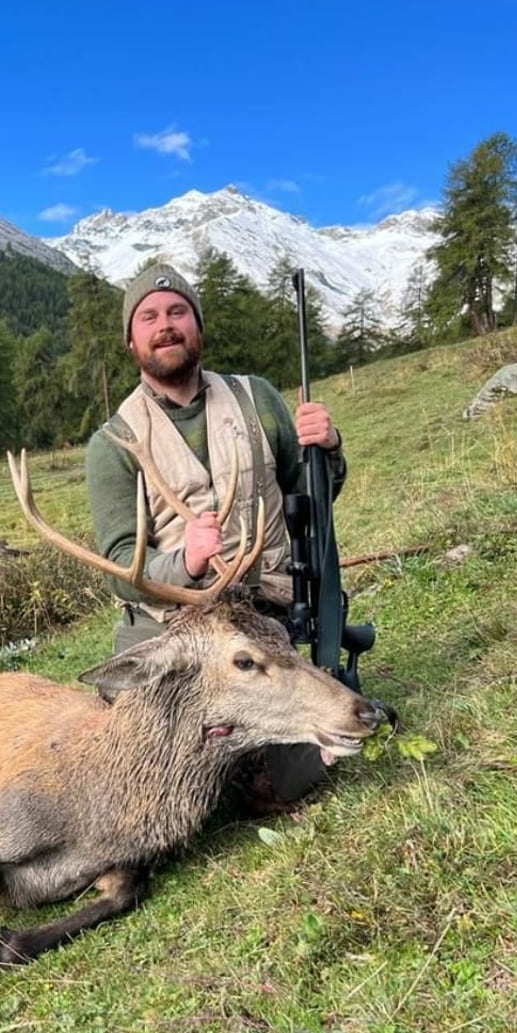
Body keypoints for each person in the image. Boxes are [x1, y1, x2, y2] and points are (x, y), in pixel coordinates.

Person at [84, 261, 347, 806]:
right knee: (140, 782)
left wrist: (329, 448)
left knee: (278, 784)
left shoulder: (258, 399)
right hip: (179, 629)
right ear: (131, 340)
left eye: (178, 311)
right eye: (149, 317)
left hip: (269, 609)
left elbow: (310, 499)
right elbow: (119, 563)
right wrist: (185, 562)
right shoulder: (112, 444)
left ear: (197, 325)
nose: (166, 325)